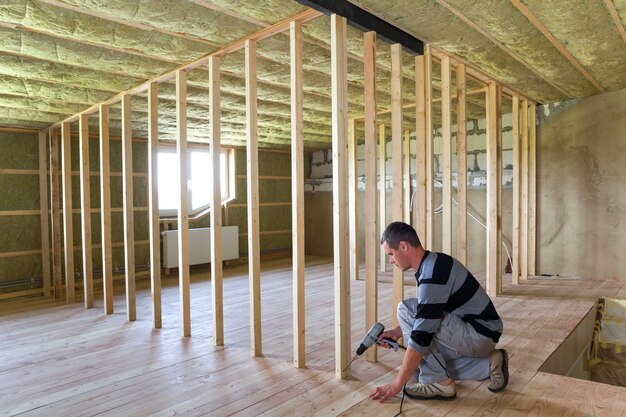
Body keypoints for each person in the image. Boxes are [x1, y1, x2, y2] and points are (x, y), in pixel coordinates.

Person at [369, 221, 508, 402]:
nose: (391, 260)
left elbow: (421, 337)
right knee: (420, 366)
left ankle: (441, 383)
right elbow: (429, 311)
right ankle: (488, 364)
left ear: (403, 246)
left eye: (391, 254)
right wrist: (397, 333)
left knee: (406, 311)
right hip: (478, 331)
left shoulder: (432, 275)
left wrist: (396, 385)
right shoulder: (433, 262)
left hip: (478, 334)